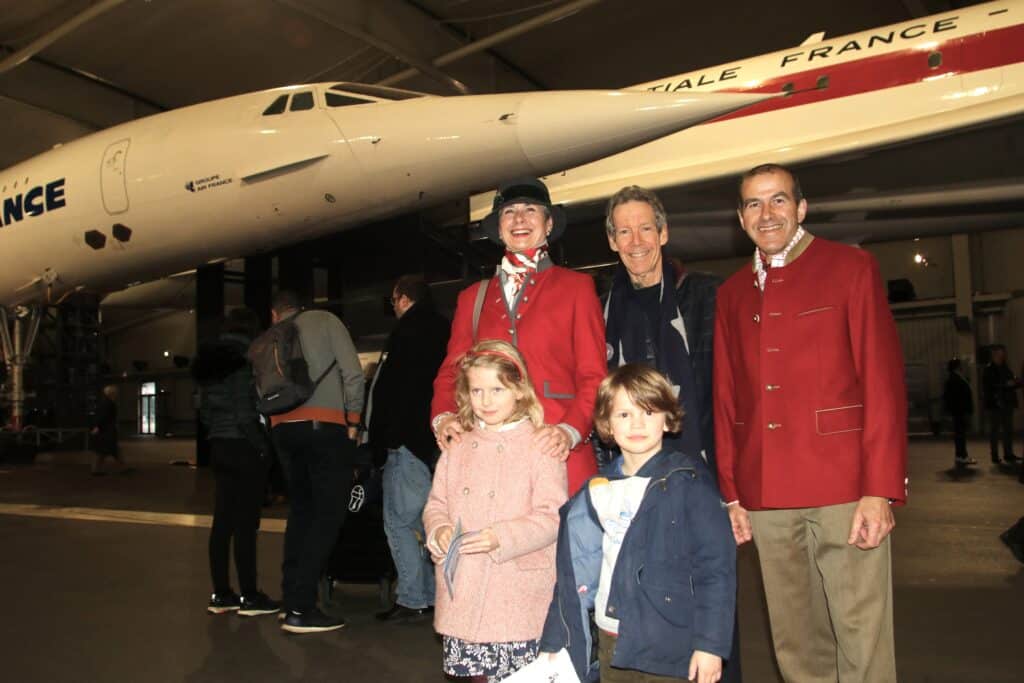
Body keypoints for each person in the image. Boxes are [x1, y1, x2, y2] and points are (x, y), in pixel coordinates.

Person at [715, 163, 907, 682]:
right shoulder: (732, 294)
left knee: (861, 637)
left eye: (778, 200)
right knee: (795, 643)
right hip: (766, 493)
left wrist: (880, 489)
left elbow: (882, 383)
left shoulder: (851, 268)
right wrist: (733, 493)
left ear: (801, 208)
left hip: (845, 486)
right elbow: (728, 398)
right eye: (753, 204)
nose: (766, 213)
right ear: (741, 218)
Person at [602, 184, 741, 681]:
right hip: (631, 481)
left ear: (663, 232)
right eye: (624, 231)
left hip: (699, 476)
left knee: (709, 592)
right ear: (612, 242)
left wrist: (733, 491)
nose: (636, 239)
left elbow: (731, 394)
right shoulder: (603, 309)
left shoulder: (707, 295)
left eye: (645, 227)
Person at [539, 364, 735, 683]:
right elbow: (573, 574)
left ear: (668, 418)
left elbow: (716, 570)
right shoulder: (594, 492)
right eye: (624, 415)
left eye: (648, 411)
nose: (637, 424)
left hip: (671, 642)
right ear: (606, 423)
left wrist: (710, 645)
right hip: (611, 638)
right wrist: (556, 639)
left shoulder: (689, 483)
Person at [431, 177, 606, 495]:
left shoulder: (578, 289)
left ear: (549, 224)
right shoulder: (473, 298)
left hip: (559, 452)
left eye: (531, 210)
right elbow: (452, 372)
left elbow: (594, 376)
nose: (520, 219)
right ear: (499, 229)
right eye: (510, 212)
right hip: (490, 460)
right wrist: (442, 417)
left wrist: (569, 431)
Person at [423, 340, 567, 682]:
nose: (485, 401)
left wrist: (500, 536)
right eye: (476, 391)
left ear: (519, 390)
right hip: (464, 586)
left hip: (516, 592)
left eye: (497, 390)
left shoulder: (540, 444)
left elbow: (553, 516)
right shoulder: (456, 446)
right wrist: (438, 529)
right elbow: (436, 503)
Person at [268, 290, 365, 634]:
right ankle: (301, 608)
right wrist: (353, 421)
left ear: (275, 314)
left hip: (282, 430)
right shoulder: (326, 321)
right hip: (325, 428)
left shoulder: (273, 334)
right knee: (327, 516)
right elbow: (352, 373)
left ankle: (289, 599)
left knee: (301, 513)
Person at [367, 275, 450, 622]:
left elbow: (391, 390)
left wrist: (380, 440)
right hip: (434, 440)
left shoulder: (406, 332)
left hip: (405, 441)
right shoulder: (443, 328)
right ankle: (433, 595)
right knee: (429, 518)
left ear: (402, 299)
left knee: (399, 521)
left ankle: (413, 598)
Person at [193, 307, 279, 616]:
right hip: (243, 446)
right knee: (246, 525)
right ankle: (251, 596)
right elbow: (245, 413)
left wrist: (217, 432)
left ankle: (221, 594)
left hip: (219, 445)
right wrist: (261, 448)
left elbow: (201, 408)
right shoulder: (246, 360)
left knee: (222, 522)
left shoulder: (208, 363)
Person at [982, 345, 1018, 465]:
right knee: (995, 431)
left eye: (1002, 354)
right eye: (999, 354)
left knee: (1008, 430)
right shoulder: (989, 369)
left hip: (1007, 403)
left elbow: (1010, 381)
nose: (1001, 356)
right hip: (996, 404)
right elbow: (989, 386)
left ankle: (1008, 453)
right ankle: (995, 455)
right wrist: (1006, 384)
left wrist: (1015, 382)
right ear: (994, 355)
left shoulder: (1005, 367)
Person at [943, 358, 976, 469]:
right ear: (957, 366)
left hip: (959, 411)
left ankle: (960, 455)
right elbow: (955, 397)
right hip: (959, 411)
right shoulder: (954, 379)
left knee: (959, 434)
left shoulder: (956, 378)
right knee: (960, 434)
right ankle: (962, 456)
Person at [90, 385, 129, 475]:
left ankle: (96, 469)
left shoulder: (104, 402)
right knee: (109, 450)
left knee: (106, 451)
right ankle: (123, 468)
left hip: (105, 430)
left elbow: (100, 416)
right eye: (115, 392)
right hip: (107, 431)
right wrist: (98, 427)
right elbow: (104, 417)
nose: (117, 394)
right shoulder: (109, 404)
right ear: (112, 393)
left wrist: (97, 427)